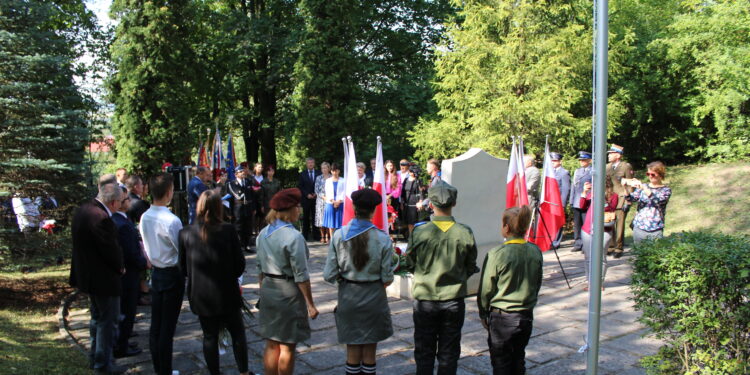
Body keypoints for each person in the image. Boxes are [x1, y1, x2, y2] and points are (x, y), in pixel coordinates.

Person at [404, 181, 478, 375]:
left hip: (425, 300)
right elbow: (471, 266)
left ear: (431, 204)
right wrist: (456, 277)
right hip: (453, 300)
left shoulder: (420, 232)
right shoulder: (465, 232)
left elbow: (409, 263)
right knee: (449, 351)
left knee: (424, 350)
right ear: (453, 203)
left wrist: (425, 275)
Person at [179, 189, 251, 375]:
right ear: (218, 207)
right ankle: (243, 372)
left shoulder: (185, 233)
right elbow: (239, 264)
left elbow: (183, 268)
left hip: (201, 294)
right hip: (226, 292)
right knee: (237, 334)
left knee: (209, 336)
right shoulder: (227, 230)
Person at [323, 189, 394, 375]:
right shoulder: (383, 238)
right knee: (370, 350)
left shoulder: (339, 235)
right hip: (374, 297)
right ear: (374, 210)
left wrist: (344, 279)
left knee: (352, 348)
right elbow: (387, 277)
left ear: (353, 207)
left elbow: (329, 274)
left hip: (349, 296)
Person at [256, 188, 319, 375]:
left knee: (271, 343)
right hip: (288, 293)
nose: (299, 209)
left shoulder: (263, 233)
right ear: (290, 210)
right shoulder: (294, 237)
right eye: (297, 206)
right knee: (287, 346)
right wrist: (310, 304)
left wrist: (263, 290)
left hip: (269, 288)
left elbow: (259, 267)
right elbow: (301, 275)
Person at [477, 205, 542, 375]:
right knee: (518, 357)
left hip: (502, 317)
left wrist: (483, 312)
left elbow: (486, 289)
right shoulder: (535, 251)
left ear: (506, 228)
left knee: (501, 363)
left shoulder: (497, 254)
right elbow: (537, 282)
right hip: (525, 314)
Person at [70, 181, 126, 374]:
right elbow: (110, 250)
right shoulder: (102, 218)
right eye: (121, 201)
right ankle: (103, 364)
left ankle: (95, 357)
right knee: (107, 322)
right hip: (103, 279)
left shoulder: (83, 210)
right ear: (112, 202)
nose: (121, 205)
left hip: (87, 276)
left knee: (96, 318)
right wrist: (120, 267)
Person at [139, 173, 185, 375]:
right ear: (169, 192)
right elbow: (180, 249)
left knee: (156, 324)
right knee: (167, 327)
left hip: (157, 273)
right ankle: (164, 370)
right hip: (170, 273)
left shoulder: (145, 216)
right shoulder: (172, 220)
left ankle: (160, 368)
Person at [111, 187, 146, 359]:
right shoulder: (121, 224)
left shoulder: (123, 219)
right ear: (118, 204)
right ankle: (121, 346)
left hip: (130, 272)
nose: (129, 202)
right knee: (126, 309)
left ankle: (123, 340)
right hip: (129, 274)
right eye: (126, 200)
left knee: (127, 309)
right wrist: (143, 263)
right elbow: (129, 252)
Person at [579, 178, 618, 290]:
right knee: (588, 257)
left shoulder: (613, 196)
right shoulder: (592, 193)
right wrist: (584, 192)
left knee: (601, 256)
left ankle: (599, 283)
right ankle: (590, 282)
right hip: (587, 228)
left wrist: (601, 198)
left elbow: (611, 208)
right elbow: (582, 206)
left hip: (604, 229)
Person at [625, 161, 672, 245]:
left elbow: (657, 201)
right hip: (639, 226)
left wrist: (644, 188)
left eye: (652, 174)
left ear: (660, 174)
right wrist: (625, 188)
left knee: (655, 255)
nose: (650, 176)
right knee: (639, 254)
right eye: (648, 174)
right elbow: (631, 199)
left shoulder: (666, 190)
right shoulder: (644, 186)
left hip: (656, 228)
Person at [605, 144, 634, 257]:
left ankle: (619, 247)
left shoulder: (625, 166)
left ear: (618, 155)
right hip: (610, 199)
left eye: (611, 154)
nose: (609, 156)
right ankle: (611, 245)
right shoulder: (607, 167)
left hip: (621, 198)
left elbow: (630, 184)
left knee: (620, 223)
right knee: (609, 222)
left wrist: (628, 200)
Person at [569, 151, 593, 252]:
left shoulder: (592, 171)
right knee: (577, 224)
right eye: (580, 160)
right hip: (577, 200)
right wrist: (571, 200)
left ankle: (586, 244)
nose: (582, 162)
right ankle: (578, 243)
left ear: (589, 161)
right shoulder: (577, 171)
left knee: (585, 223)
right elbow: (573, 186)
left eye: (584, 160)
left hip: (586, 199)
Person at [228, 166, 254, 252]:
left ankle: (247, 245)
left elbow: (252, 195)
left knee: (248, 226)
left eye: (243, 171)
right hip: (238, 208)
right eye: (241, 171)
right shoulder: (232, 184)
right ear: (236, 174)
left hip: (248, 207)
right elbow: (235, 197)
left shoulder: (248, 182)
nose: (243, 173)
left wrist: (253, 207)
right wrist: (230, 213)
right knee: (238, 227)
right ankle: (239, 246)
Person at [550, 152, 571, 248]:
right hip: (549, 201)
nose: (552, 162)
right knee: (550, 222)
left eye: (554, 160)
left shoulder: (564, 173)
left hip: (558, 202)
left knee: (558, 222)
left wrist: (562, 204)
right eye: (552, 161)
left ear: (560, 161)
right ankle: (550, 240)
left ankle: (556, 242)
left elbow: (566, 189)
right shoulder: (550, 172)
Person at [298, 157, 321, 241]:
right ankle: (305, 236)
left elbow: (321, 185)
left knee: (316, 217)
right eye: (309, 163)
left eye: (312, 162)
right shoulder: (302, 174)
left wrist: (316, 193)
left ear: (314, 163)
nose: (310, 164)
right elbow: (300, 186)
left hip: (316, 199)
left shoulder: (319, 173)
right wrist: (307, 194)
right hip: (306, 199)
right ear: (306, 164)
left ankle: (317, 236)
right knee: (306, 218)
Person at [323, 163, 345, 240]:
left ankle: (340, 239)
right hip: (330, 203)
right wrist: (333, 201)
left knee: (340, 223)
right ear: (331, 171)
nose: (335, 172)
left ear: (339, 171)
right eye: (333, 171)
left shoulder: (343, 180)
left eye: (336, 170)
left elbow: (344, 192)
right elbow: (327, 192)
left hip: (341, 203)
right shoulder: (328, 181)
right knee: (331, 223)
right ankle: (332, 239)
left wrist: (338, 201)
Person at [401, 165, 423, 234]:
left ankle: (415, 236)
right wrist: (402, 202)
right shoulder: (406, 180)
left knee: (414, 221)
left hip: (414, 203)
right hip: (406, 202)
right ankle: (410, 236)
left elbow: (421, 191)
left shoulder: (418, 180)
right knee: (408, 221)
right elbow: (402, 191)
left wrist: (420, 201)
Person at [314, 162, 331, 243]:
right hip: (320, 201)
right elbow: (316, 190)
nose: (324, 170)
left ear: (329, 168)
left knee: (328, 218)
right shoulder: (318, 178)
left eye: (325, 168)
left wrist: (329, 197)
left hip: (329, 200)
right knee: (320, 219)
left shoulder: (332, 177)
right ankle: (322, 236)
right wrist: (323, 197)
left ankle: (328, 235)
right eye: (322, 168)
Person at [251, 163, 265, 236]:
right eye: (259, 167)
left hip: (262, 201)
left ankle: (261, 233)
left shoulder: (264, 178)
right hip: (254, 201)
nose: (260, 169)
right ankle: (255, 234)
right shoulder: (251, 178)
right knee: (255, 217)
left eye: (261, 167)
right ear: (255, 168)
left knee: (262, 217)